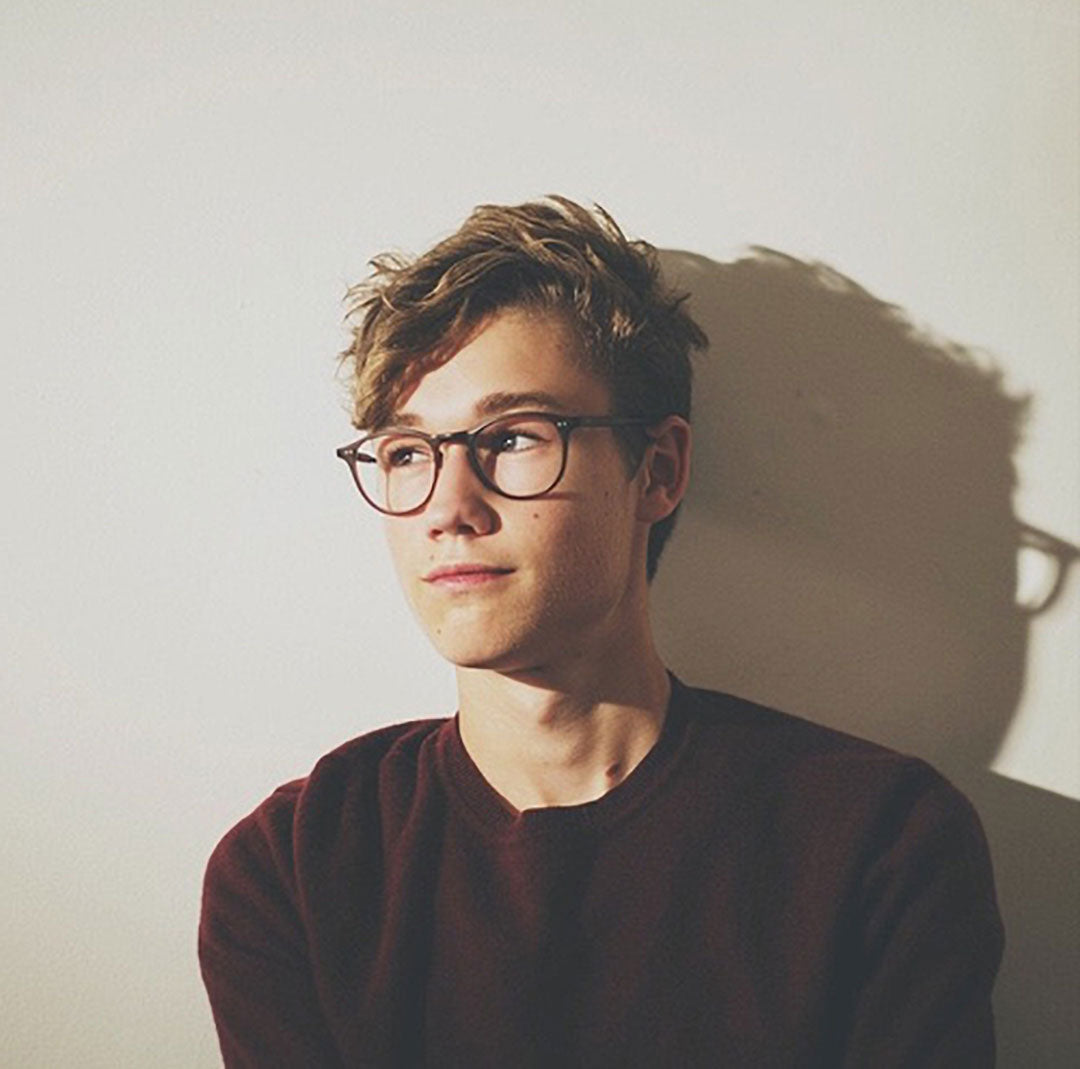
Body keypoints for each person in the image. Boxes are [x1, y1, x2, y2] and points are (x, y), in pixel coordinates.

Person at [198, 196, 1004, 1067]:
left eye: (511, 438)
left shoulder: (879, 846)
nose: (448, 507)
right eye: (405, 452)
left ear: (657, 470)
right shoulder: (295, 871)